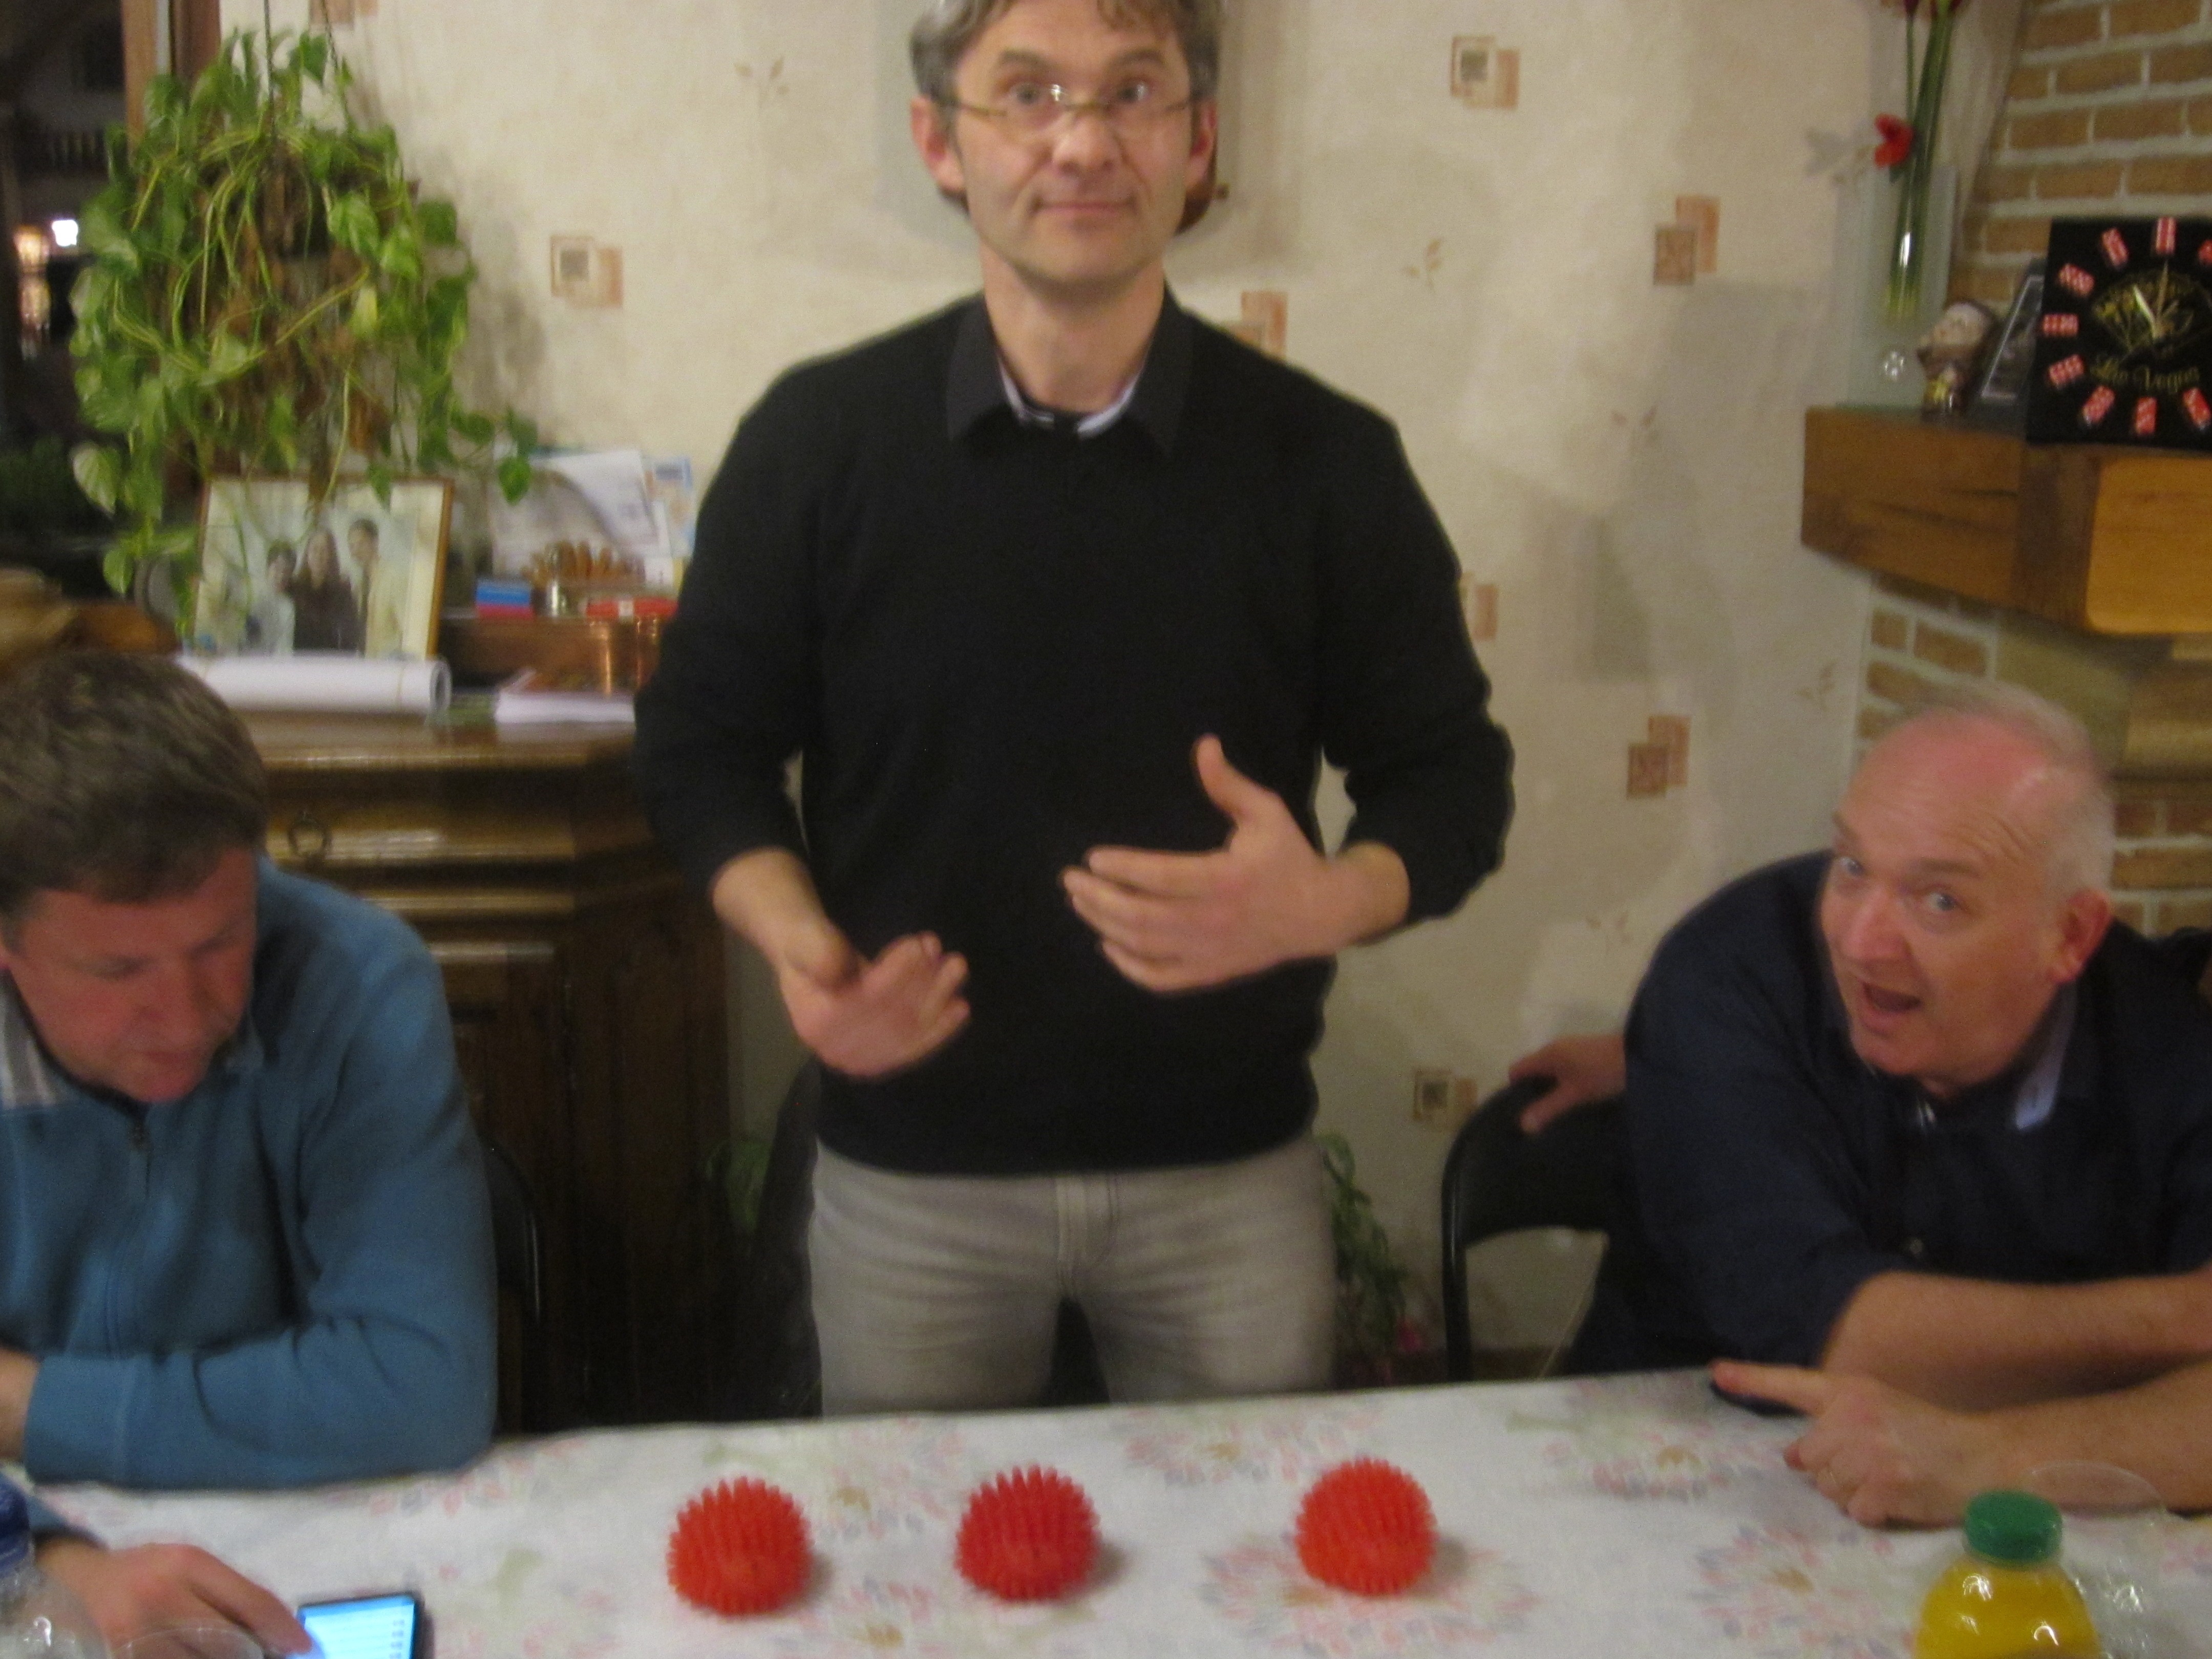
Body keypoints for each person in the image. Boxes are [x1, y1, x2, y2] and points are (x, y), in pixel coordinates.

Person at [635, 0, 1512, 1415]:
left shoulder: (1326, 462)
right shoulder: (817, 442)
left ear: (1198, 140)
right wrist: (801, 947)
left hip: (1227, 1175)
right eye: (1029, 93)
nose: (1084, 142)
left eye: (1134, 92)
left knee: (1238, 1549)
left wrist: (1326, 902)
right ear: (942, 141)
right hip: (911, 1171)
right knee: (916, 1553)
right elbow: (699, 748)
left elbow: (1452, 778)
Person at [1515, 685, 2212, 1525]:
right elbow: (1824, 1327)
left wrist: (1996, 1458)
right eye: (1852, 867)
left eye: (1940, 900)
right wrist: (2181, 1319)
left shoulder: (2163, 1038)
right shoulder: (1733, 972)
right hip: (1685, 1483)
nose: (1859, 941)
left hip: (2017, 1513)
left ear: (2069, 937)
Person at [0, 653, 496, 1647]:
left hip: (308, 1559)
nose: (186, 1015)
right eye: (118, 970)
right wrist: (42, 1564)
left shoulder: (358, 980)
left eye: (220, 942)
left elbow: (424, 1387)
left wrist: (25, 1402)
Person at [290, 526, 360, 652]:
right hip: (297, 659)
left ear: (331, 555)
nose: (319, 555)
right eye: (314, 549)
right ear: (307, 554)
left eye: (324, 550)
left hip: (329, 660)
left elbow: (350, 637)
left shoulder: (342, 592)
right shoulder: (293, 588)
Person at [349, 518, 408, 657]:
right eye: (352, 546)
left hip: (389, 664)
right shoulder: (359, 586)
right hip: (365, 663)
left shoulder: (394, 578)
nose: (356, 551)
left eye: (361, 544)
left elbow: (407, 630)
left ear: (375, 543)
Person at [245, 541, 297, 655]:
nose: (281, 576)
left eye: (286, 571)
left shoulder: (288, 607)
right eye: (277, 568)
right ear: (268, 568)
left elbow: (285, 648)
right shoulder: (251, 597)